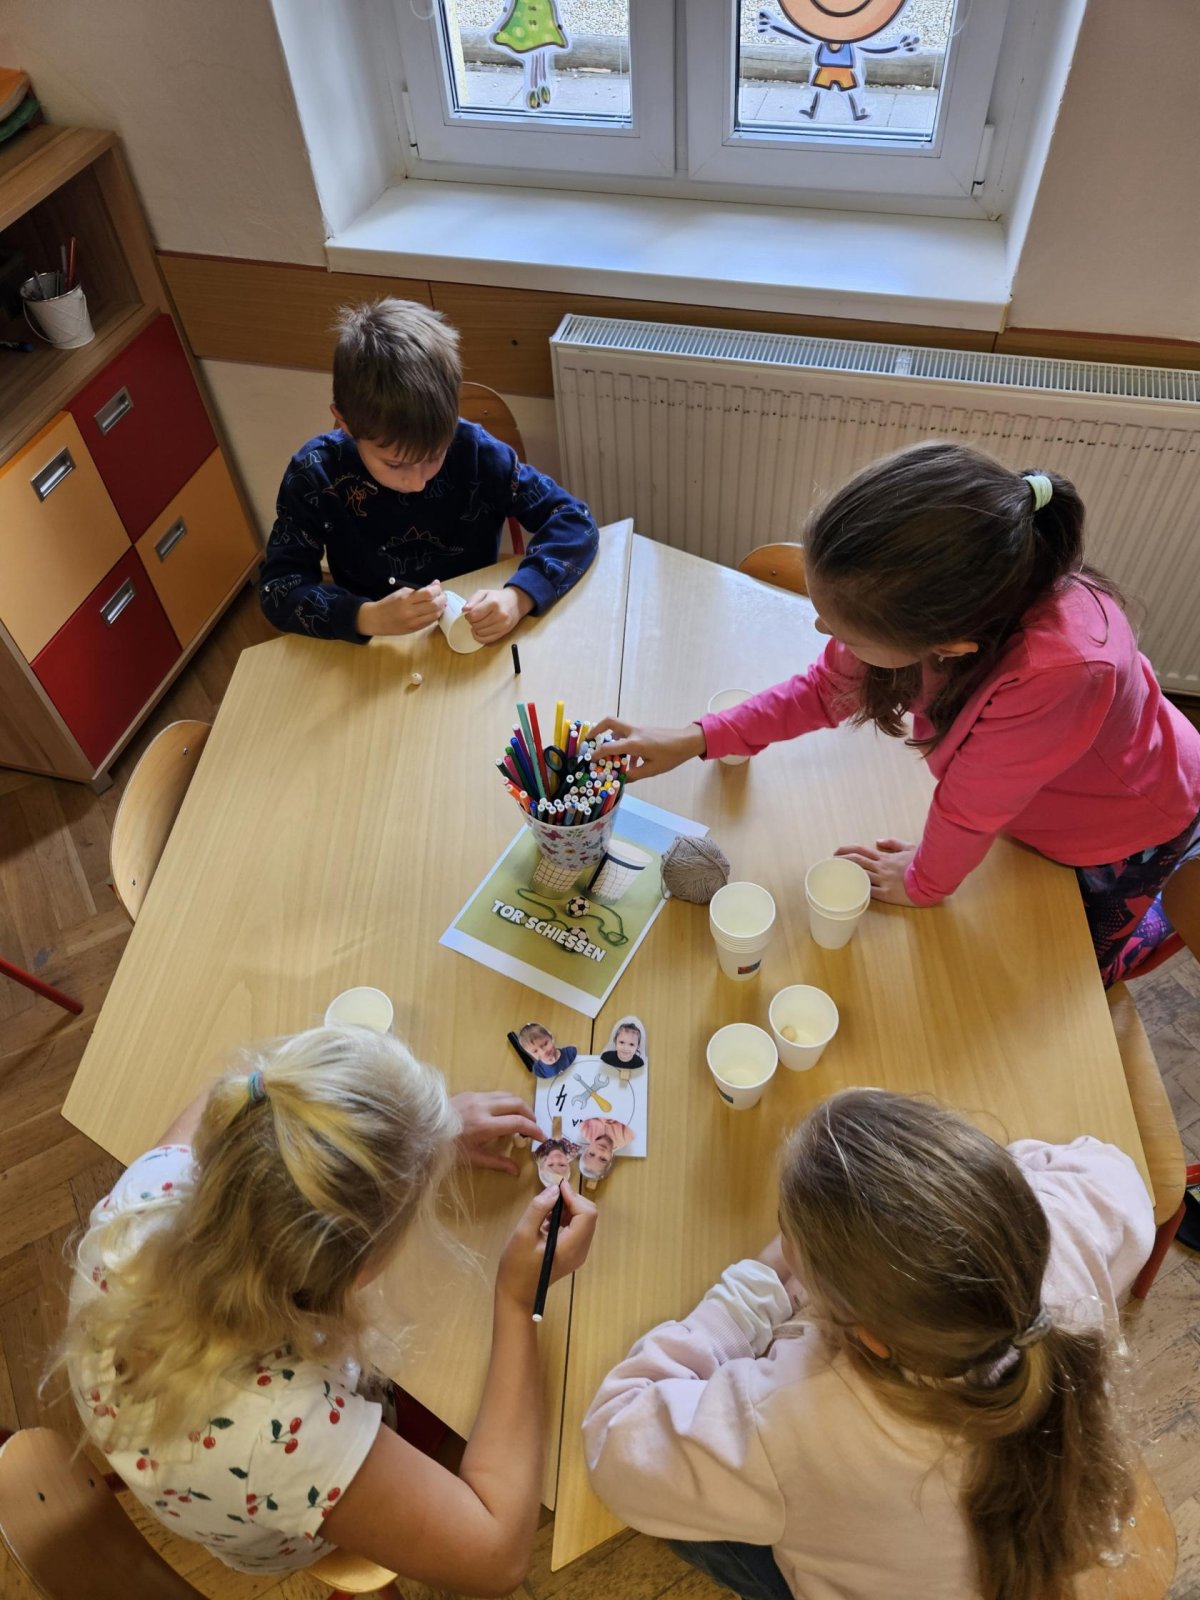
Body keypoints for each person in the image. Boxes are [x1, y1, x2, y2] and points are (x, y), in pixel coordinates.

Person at [593, 442, 1200, 984]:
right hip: (1037, 797)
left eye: (846, 632)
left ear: (950, 646)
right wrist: (697, 737)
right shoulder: (945, 603)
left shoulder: (1060, 672)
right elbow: (822, 691)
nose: (821, 628)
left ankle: (1159, 925)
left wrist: (923, 883)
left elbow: (970, 807)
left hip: (1123, 825)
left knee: (1075, 967)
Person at [59, 1026, 596, 1587]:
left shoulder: (144, 1203)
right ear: (360, 1273)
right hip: (280, 1512)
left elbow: (259, 1103)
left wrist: (408, 1141)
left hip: (193, 1449)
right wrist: (518, 1299)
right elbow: (498, 1557)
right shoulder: (286, 1433)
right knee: (459, 1388)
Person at [584, 1088, 1153, 1600]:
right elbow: (1119, 1175)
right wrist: (976, 1203)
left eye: (787, 1230)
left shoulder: (796, 1417)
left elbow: (615, 1442)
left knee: (692, 1522)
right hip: (1028, 1548)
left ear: (872, 1339)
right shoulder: (1062, 1230)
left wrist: (749, 1294)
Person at [259, 298, 598, 646]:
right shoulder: (315, 475)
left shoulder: (477, 453)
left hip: (474, 630)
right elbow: (278, 589)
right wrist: (366, 616)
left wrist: (519, 596)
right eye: (394, 464)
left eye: (434, 456)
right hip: (377, 644)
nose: (418, 482)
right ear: (345, 423)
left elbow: (573, 519)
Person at [578, 1117, 634, 1182]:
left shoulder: (586, 1131)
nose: (600, 1151)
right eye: (603, 1159)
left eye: (592, 1154)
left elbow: (581, 1115)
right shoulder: (625, 1137)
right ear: (611, 1158)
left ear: (587, 1149)